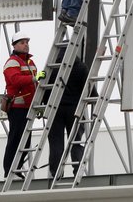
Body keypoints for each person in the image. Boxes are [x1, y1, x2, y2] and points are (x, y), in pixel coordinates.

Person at [2, 33, 45, 178]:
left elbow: (34, 85)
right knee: (15, 139)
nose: (26, 45)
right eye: (22, 42)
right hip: (17, 107)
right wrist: (34, 77)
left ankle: (16, 168)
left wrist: (39, 103)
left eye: (27, 42)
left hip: (28, 106)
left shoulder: (30, 62)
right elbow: (15, 80)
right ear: (14, 45)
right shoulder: (12, 62)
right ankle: (9, 170)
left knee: (25, 142)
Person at [46, 48, 92, 179]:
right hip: (75, 110)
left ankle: (56, 172)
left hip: (55, 110)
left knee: (56, 142)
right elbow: (88, 89)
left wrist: (44, 107)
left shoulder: (52, 68)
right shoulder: (81, 67)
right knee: (75, 141)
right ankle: (77, 169)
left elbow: (44, 88)